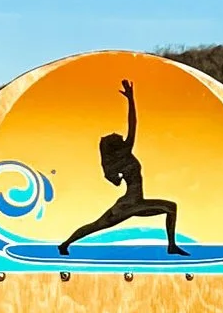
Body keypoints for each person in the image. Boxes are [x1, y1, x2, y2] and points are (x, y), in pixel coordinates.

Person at [58, 75, 183, 255]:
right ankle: (65, 244)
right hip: (130, 205)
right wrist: (131, 100)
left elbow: (113, 179)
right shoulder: (124, 154)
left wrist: (131, 98)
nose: (118, 134)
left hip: (134, 202)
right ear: (114, 145)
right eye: (115, 136)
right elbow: (133, 124)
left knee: (170, 207)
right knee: (96, 226)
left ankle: (171, 246)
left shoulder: (118, 158)